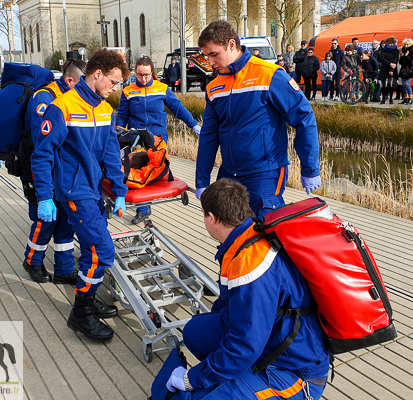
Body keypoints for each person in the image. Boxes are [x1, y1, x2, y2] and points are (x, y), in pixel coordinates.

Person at [163, 178, 330, 399]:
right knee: (195, 331)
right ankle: (233, 377)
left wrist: (192, 379)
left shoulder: (250, 264)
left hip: (294, 369)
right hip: (269, 338)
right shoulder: (245, 236)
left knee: (204, 396)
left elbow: (244, 345)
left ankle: (243, 384)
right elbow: (229, 309)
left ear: (212, 218)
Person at [31, 49, 129, 341]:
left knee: (90, 249)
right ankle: (80, 313)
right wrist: (45, 196)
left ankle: (88, 297)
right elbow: (42, 155)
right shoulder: (62, 107)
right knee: (103, 251)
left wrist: (120, 190)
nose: (116, 88)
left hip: (93, 189)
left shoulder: (105, 109)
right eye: (113, 81)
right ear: (97, 74)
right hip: (74, 191)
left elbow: (112, 154)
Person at [195, 20, 321, 219]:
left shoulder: (270, 75)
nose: (210, 62)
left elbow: (304, 118)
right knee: (229, 233)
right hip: (228, 172)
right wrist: (201, 181)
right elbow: (209, 136)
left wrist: (310, 167)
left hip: (264, 172)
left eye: (214, 54)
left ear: (231, 44)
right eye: (206, 56)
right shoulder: (214, 88)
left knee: (264, 233)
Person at [22, 59, 87, 285]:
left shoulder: (71, 97)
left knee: (66, 220)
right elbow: (44, 146)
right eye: (81, 83)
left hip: (64, 171)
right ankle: (32, 261)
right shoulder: (44, 99)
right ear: (69, 80)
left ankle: (64, 267)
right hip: (43, 169)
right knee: (45, 220)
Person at [116, 56, 200, 224]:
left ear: (152, 72)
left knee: (158, 168)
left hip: (158, 138)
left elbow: (177, 108)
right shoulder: (128, 91)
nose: (143, 79)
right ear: (135, 73)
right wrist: (119, 134)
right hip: (137, 138)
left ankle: (166, 189)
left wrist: (194, 125)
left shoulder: (162, 89)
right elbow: (122, 116)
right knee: (140, 171)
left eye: (147, 75)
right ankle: (143, 209)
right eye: (139, 75)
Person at [378, 36, 399, 105]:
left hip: (392, 69)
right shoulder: (383, 50)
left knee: (391, 85)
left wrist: (392, 69)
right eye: (389, 43)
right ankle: (383, 98)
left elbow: (395, 60)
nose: (391, 45)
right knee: (384, 85)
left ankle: (391, 98)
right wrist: (389, 64)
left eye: (392, 43)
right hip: (384, 68)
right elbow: (381, 58)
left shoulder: (396, 51)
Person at [398, 38, 413, 105]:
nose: (406, 46)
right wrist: (402, 56)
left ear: (410, 44)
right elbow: (400, 62)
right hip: (403, 69)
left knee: (407, 84)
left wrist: (406, 56)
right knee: (403, 85)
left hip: (410, 70)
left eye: (407, 44)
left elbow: (412, 62)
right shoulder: (402, 50)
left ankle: (410, 98)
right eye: (405, 44)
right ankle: (405, 98)